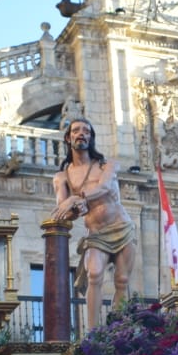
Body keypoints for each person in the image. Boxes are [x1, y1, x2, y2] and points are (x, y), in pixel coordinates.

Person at [51, 117, 137, 331]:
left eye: (86, 131)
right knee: (95, 274)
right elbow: (64, 211)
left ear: (91, 137)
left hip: (121, 227)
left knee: (122, 280)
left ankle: (119, 330)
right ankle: (92, 333)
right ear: (68, 138)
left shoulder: (107, 165)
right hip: (96, 233)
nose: (82, 134)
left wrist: (77, 198)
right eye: (76, 130)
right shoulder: (62, 177)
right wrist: (74, 208)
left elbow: (105, 188)